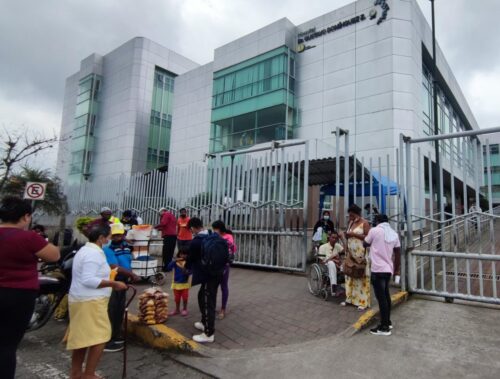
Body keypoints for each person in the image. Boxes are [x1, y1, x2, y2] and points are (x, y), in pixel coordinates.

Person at [0, 197, 60, 379]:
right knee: (7, 346)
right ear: (26, 217)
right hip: (19, 296)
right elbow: (54, 255)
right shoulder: (29, 237)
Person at [67, 224, 128, 379]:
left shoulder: (86, 250)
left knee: (83, 339)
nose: (109, 240)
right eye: (108, 237)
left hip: (84, 300)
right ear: (101, 238)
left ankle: (76, 373)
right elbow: (88, 279)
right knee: (100, 337)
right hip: (90, 301)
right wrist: (114, 284)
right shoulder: (93, 254)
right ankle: (89, 374)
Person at [186, 217, 228, 343]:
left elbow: (190, 260)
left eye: (191, 230)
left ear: (193, 228)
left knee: (207, 301)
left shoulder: (196, 241)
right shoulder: (211, 234)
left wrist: (186, 269)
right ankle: (204, 322)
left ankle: (209, 334)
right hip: (218, 272)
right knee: (203, 297)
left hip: (208, 274)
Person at [103, 223, 140, 353]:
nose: (118, 237)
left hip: (123, 282)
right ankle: (107, 340)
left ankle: (115, 335)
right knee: (111, 310)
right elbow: (113, 266)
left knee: (119, 310)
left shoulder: (125, 247)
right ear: (111, 236)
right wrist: (131, 274)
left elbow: (127, 261)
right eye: (115, 235)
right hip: (114, 282)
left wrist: (129, 275)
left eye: (120, 234)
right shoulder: (108, 249)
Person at [364, 214, 401, 336]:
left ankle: (384, 327)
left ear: (377, 221)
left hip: (377, 270)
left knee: (381, 299)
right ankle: (387, 321)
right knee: (386, 296)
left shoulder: (374, 231)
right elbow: (398, 254)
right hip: (388, 270)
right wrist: (396, 270)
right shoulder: (394, 234)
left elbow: (365, 243)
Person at [340, 204, 371, 311]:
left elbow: (368, 238)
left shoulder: (365, 223)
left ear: (357, 214)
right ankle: (350, 299)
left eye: (352, 215)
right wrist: (347, 235)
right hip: (351, 255)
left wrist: (354, 234)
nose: (350, 217)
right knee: (349, 276)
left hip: (360, 255)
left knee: (361, 276)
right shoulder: (351, 223)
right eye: (349, 215)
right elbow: (349, 236)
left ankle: (362, 302)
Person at [212, 220, 236, 320]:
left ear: (220, 229)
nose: (214, 231)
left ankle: (223, 309)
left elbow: (232, 248)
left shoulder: (228, 236)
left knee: (223, 286)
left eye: (215, 229)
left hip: (224, 266)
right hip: (214, 265)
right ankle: (212, 307)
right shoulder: (215, 236)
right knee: (213, 287)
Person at [165, 248, 191, 317]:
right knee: (177, 298)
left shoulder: (188, 263)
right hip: (176, 283)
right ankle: (177, 309)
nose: (183, 256)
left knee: (185, 297)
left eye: (185, 254)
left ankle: (185, 309)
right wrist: (174, 261)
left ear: (188, 255)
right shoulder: (176, 263)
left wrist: (185, 270)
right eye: (181, 254)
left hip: (185, 284)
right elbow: (168, 267)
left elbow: (190, 272)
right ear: (179, 254)